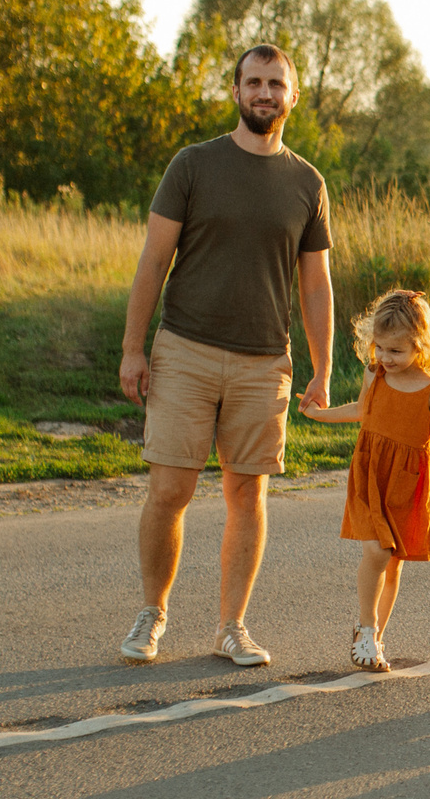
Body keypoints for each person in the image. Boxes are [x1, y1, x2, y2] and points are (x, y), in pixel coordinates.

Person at [115, 44, 334, 666]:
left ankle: (232, 626)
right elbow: (153, 262)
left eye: (276, 84)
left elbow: (315, 284)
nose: (265, 93)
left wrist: (322, 367)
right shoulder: (193, 165)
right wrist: (135, 350)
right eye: (254, 82)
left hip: (265, 359)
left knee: (248, 495)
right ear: (236, 90)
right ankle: (152, 613)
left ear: (293, 96)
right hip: (184, 348)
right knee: (170, 490)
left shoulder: (306, 182)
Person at [298, 288, 430, 671]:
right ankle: (366, 628)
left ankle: (373, 638)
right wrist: (320, 416)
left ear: (419, 347)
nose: (385, 358)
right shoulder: (373, 375)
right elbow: (362, 410)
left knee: (394, 564)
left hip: (410, 485)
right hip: (372, 473)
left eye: (396, 351)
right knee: (378, 552)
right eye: (380, 349)